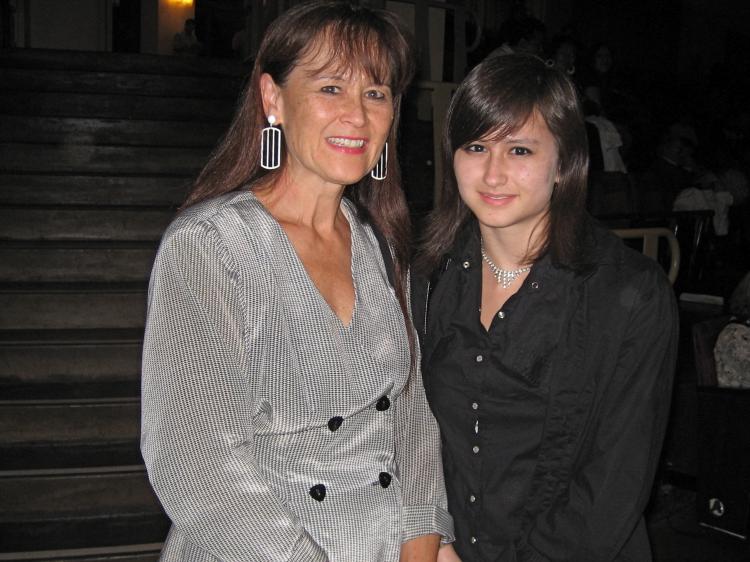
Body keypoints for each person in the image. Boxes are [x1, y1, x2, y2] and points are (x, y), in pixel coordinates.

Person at [141, 2, 453, 561]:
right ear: (273, 98)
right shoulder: (212, 247)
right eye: (332, 87)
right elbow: (197, 460)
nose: (357, 116)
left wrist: (424, 541)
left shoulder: (379, 241)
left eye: (376, 93)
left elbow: (410, 415)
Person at [412, 53, 678, 561]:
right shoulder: (426, 276)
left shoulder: (630, 295)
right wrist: (433, 537)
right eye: (475, 146)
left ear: (564, 162)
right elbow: (408, 434)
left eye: (519, 149)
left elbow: (612, 488)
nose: (492, 173)